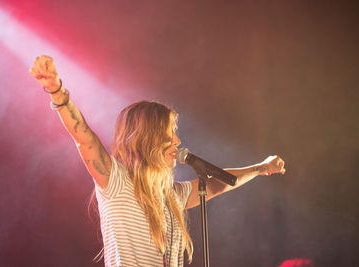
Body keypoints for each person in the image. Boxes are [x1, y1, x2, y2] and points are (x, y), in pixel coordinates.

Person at [30, 55, 286, 267]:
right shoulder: (117, 180)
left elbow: (221, 182)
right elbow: (83, 137)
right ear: (148, 137)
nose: (177, 141)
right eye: (170, 133)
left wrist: (261, 167)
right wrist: (56, 91)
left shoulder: (172, 195)